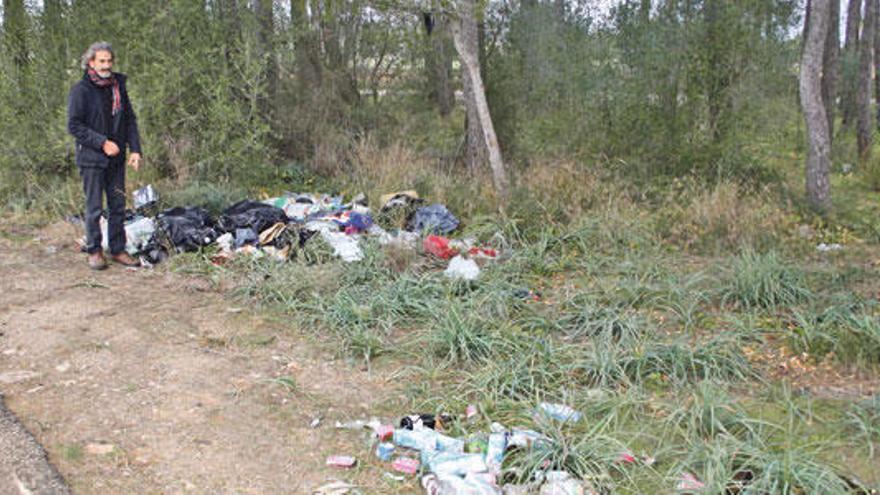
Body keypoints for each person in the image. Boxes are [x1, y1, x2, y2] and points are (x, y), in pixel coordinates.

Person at [68, 41, 142, 270]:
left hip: (117, 158)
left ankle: (118, 249)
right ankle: (95, 251)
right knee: (94, 208)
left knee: (118, 205)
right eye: (101, 61)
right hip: (91, 158)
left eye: (109, 61)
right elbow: (74, 126)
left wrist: (136, 149)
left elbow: (129, 119)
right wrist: (102, 143)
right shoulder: (81, 90)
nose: (106, 65)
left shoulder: (118, 85)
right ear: (91, 62)